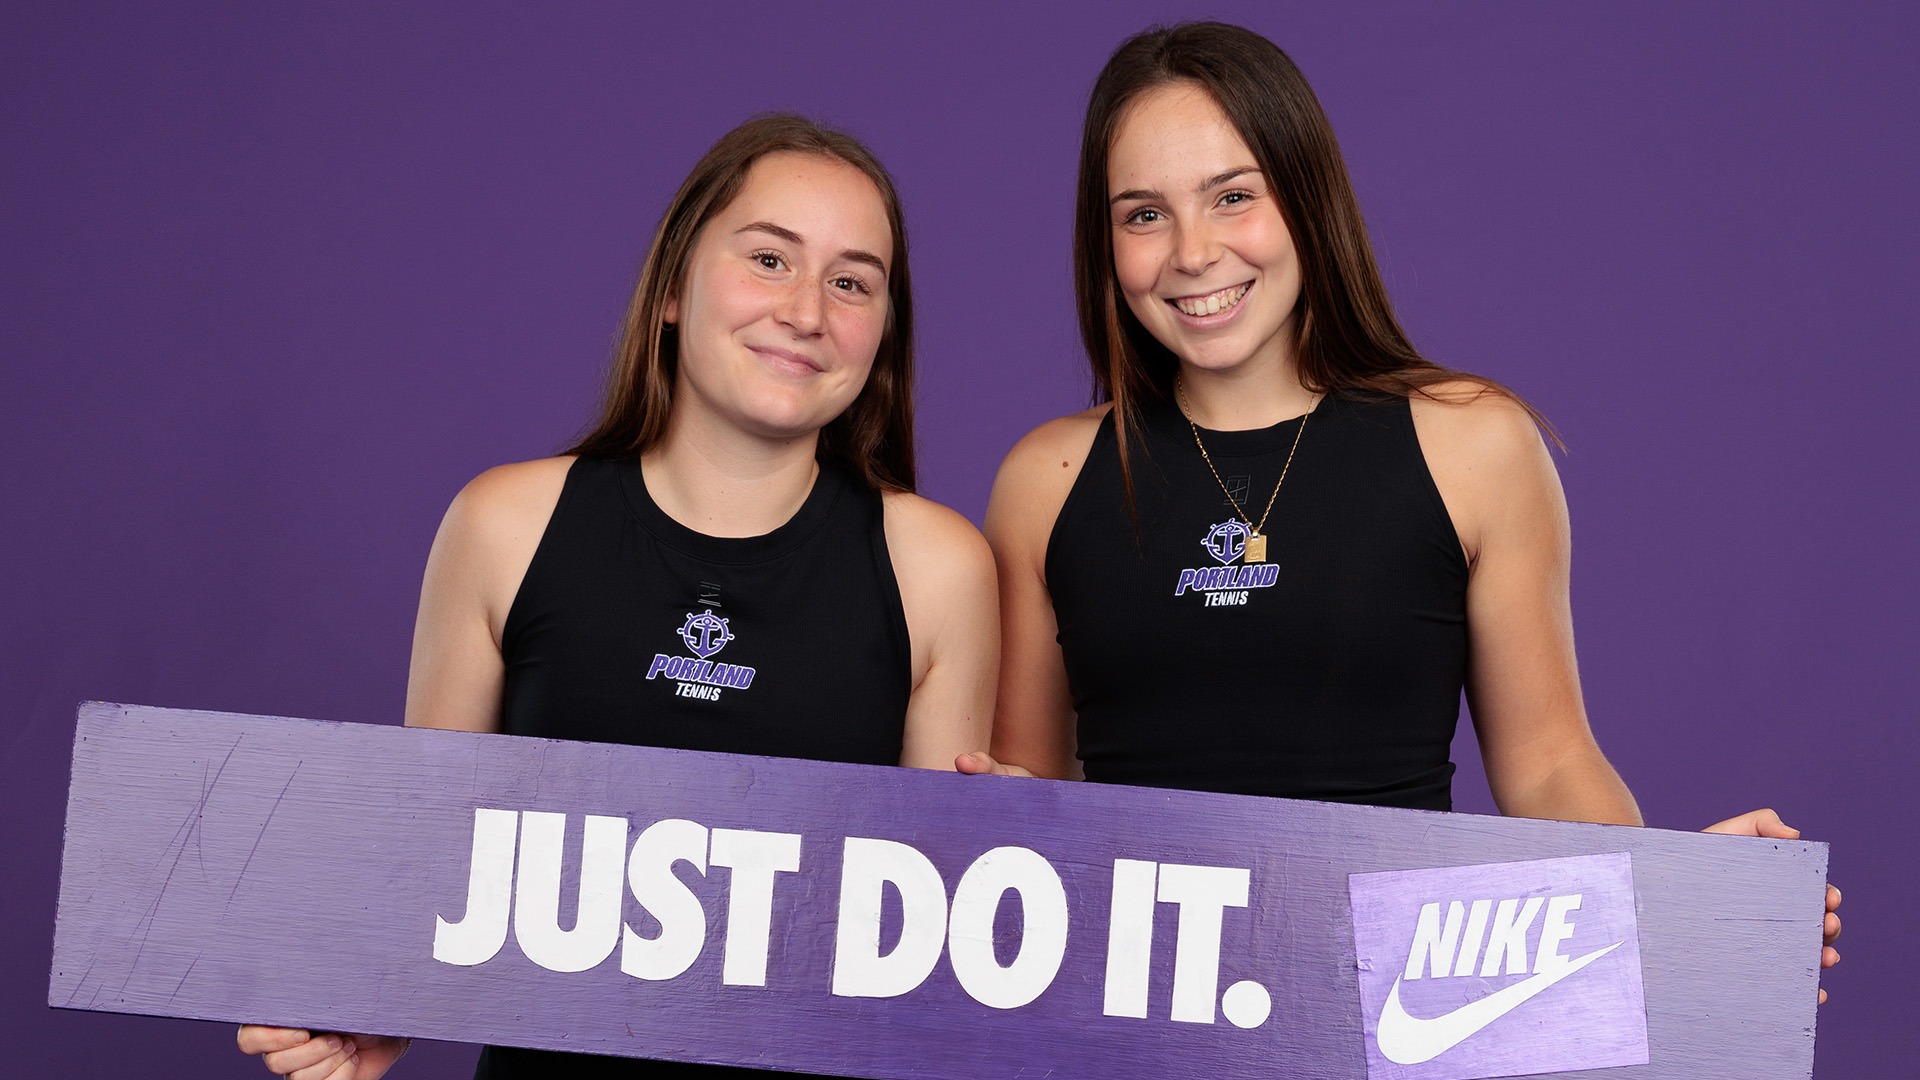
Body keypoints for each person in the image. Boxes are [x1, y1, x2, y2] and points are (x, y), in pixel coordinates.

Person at [962, 20, 1839, 994]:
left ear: (1305, 196)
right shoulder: (1046, 480)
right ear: (1105, 242)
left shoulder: (1473, 444)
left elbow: (1549, 764)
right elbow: (1026, 811)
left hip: (1392, 1004)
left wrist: (1679, 907)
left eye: (1232, 196)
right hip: (1134, 1013)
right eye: (1143, 214)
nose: (1192, 252)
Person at [238, 114, 998, 1079]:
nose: (808, 310)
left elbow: (928, 963)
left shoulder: (937, 567)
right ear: (675, 285)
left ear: (882, 333)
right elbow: (431, 867)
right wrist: (375, 1000)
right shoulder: (503, 525)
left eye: (852, 282)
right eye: (769, 259)